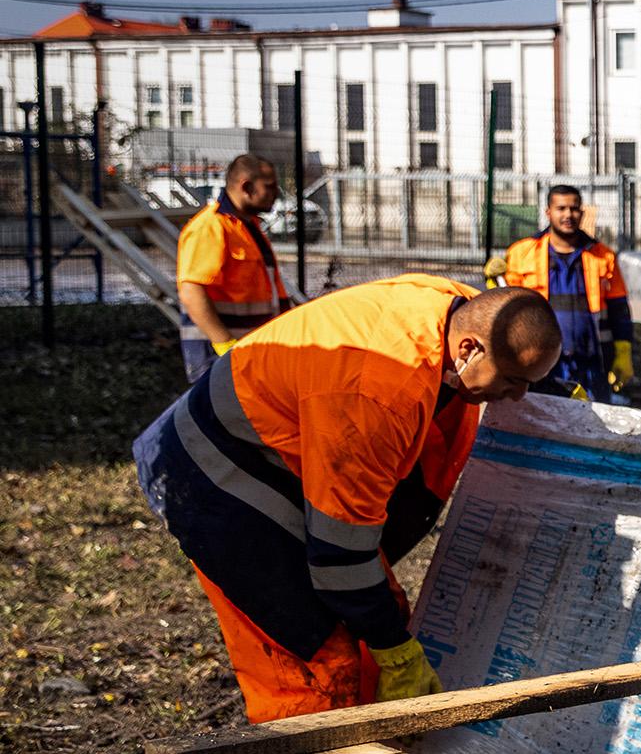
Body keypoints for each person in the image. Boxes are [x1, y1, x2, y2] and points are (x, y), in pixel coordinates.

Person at [132, 277, 560, 723]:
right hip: (214, 470)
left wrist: (555, 398)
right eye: (513, 381)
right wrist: (395, 651)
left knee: (375, 625)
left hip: (284, 439)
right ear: (468, 350)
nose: (519, 397)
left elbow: (510, 344)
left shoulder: (462, 311)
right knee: (318, 658)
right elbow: (340, 557)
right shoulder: (377, 392)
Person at [492, 184, 634, 399]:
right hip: (540, 361)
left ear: (582, 212)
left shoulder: (603, 256)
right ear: (548, 212)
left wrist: (623, 352)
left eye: (574, 208)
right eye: (561, 208)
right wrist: (492, 282)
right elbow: (505, 305)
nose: (568, 214)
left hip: (592, 362)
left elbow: (619, 310)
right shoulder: (522, 253)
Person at [174, 154, 293, 377]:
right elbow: (191, 291)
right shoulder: (211, 227)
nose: (275, 193)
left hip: (246, 352)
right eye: (269, 186)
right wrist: (224, 346)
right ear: (246, 187)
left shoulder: (246, 227)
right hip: (219, 358)